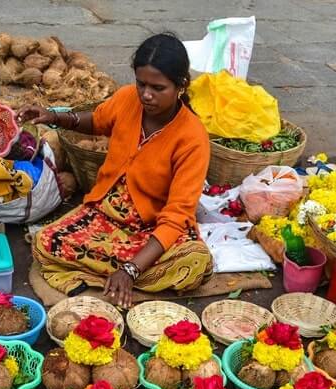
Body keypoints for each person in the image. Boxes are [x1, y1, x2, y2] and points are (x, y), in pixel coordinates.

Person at [19, 33, 213, 308]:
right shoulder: (127, 99)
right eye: (141, 83)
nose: (146, 94)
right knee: (45, 242)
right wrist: (54, 117)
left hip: (154, 226)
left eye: (158, 88)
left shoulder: (193, 137)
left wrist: (131, 269)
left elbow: (177, 215)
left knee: (194, 261)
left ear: (181, 85)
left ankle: (123, 275)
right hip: (106, 215)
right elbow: (96, 120)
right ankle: (126, 277)